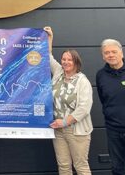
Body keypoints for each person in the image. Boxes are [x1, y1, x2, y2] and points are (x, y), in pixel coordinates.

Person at [44, 27, 93, 175]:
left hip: (76, 131)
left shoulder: (82, 81)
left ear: (76, 62)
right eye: (63, 59)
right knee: (64, 167)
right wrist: (50, 37)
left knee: (81, 166)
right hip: (58, 130)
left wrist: (65, 122)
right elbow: (47, 56)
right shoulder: (59, 72)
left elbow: (84, 108)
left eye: (69, 60)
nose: (65, 62)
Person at [96, 38, 125, 175]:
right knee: (117, 168)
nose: (111, 55)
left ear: (121, 53)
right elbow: (104, 99)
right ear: (103, 56)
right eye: (107, 53)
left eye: (114, 51)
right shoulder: (101, 75)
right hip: (113, 130)